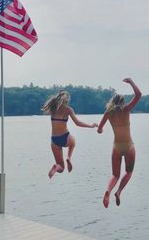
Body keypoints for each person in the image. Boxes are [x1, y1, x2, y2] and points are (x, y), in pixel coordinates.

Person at [97, 78, 142, 208]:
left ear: (112, 102)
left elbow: (100, 129)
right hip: (128, 146)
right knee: (128, 171)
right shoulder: (126, 109)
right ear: (122, 102)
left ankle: (108, 191)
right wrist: (132, 82)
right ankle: (119, 192)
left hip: (116, 147)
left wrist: (100, 129)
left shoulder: (108, 113)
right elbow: (138, 95)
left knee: (115, 175)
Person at [42, 90, 98, 179]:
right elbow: (77, 123)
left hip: (54, 140)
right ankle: (68, 157)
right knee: (73, 142)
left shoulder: (53, 108)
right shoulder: (68, 109)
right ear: (67, 100)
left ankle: (56, 167)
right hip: (65, 137)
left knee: (61, 167)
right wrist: (91, 126)